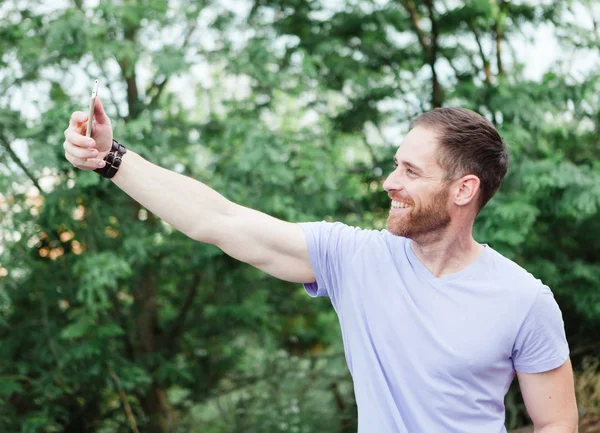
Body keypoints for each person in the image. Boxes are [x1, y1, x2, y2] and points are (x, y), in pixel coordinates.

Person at [64, 99, 578, 433]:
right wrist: (111, 158)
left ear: (464, 190)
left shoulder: (524, 300)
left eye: (410, 171)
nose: (389, 182)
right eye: (395, 164)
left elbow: (557, 423)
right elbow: (218, 219)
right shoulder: (353, 258)